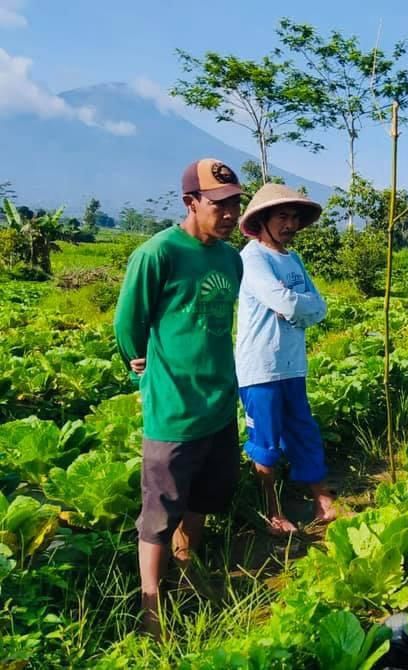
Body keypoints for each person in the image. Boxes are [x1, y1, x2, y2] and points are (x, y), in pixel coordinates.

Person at [114, 158, 244, 637]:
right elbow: (129, 325)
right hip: (173, 407)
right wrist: (142, 370)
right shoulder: (158, 254)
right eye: (220, 204)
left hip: (218, 401)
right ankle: (152, 610)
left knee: (207, 495)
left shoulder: (230, 258)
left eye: (235, 203)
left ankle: (188, 566)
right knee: (160, 510)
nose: (230, 212)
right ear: (191, 202)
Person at [235, 183, 336, 535]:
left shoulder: (293, 259)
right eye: (282, 216)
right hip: (259, 367)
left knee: (303, 432)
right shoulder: (252, 258)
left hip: (292, 364)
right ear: (261, 219)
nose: (290, 224)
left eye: (294, 217)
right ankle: (272, 511)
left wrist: (296, 307)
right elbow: (290, 302)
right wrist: (296, 306)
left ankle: (323, 501)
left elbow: (319, 307)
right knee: (265, 442)